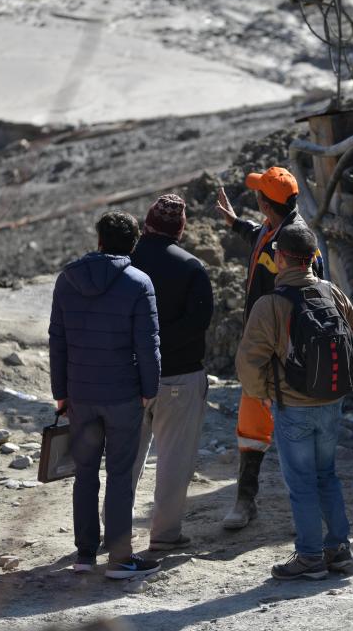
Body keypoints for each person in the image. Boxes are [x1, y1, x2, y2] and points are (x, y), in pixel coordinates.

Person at [235, 225, 353, 580]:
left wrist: (263, 394)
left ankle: (309, 557)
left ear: (279, 259)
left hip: (292, 408)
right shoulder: (333, 292)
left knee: (302, 484)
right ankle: (339, 550)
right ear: (311, 259)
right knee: (327, 476)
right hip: (331, 404)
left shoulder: (270, 305)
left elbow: (248, 362)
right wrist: (337, 387)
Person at [49, 210, 161, 579]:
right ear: (133, 243)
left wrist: (61, 394)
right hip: (124, 395)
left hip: (80, 395)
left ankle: (84, 555)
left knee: (85, 474)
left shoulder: (67, 280)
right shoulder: (138, 282)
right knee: (118, 475)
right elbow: (148, 346)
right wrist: (149, 390)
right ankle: (119, 558)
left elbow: (58, 341)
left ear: (98, 240)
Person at [215, 166, 324, 530]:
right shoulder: (275, 227)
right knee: (252, 426)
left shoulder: (294, 241)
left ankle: (308, 513)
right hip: (264, 345)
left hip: (283, 348)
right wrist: (235, 224)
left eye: (258, 193)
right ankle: (246, 500)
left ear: (265, 202)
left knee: (294, 426)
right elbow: (259, 235)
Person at [127, 194, 214, 552]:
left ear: (147, 223)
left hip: (128, 376)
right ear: (180, 229)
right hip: (179, 377)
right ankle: (163, 536)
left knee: (124, 460)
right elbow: (198, 324)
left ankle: (112, 530)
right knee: (174, 462)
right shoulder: (192, 267)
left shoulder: (125, 262)